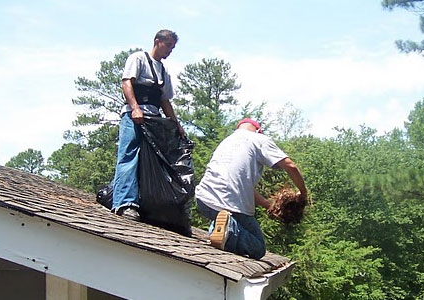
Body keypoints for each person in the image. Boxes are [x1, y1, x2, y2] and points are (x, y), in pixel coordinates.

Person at [195, 118, 307, 259]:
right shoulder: (259, 139)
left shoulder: (226, 142)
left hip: (203, 200)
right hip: (231, 206)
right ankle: (228, 229)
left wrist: (269, 205)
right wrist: (303, 193)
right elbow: (290, 166)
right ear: (259, 131)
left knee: (230, 227)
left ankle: (220, 229)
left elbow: (243, 187)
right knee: (258, 249)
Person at [112, 29, 185, 221]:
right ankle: (124, 203)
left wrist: (177, 125)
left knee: (151, 160)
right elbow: (127, 83)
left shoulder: (163, 71)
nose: (170, 50)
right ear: (157, 41)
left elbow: (165, 101)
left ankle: (147, 204)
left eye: (173, 47)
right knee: (129, 155)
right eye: (168, 45)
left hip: (154, 120)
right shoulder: (138, 58)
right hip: (134, 116)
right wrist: (135, 108)